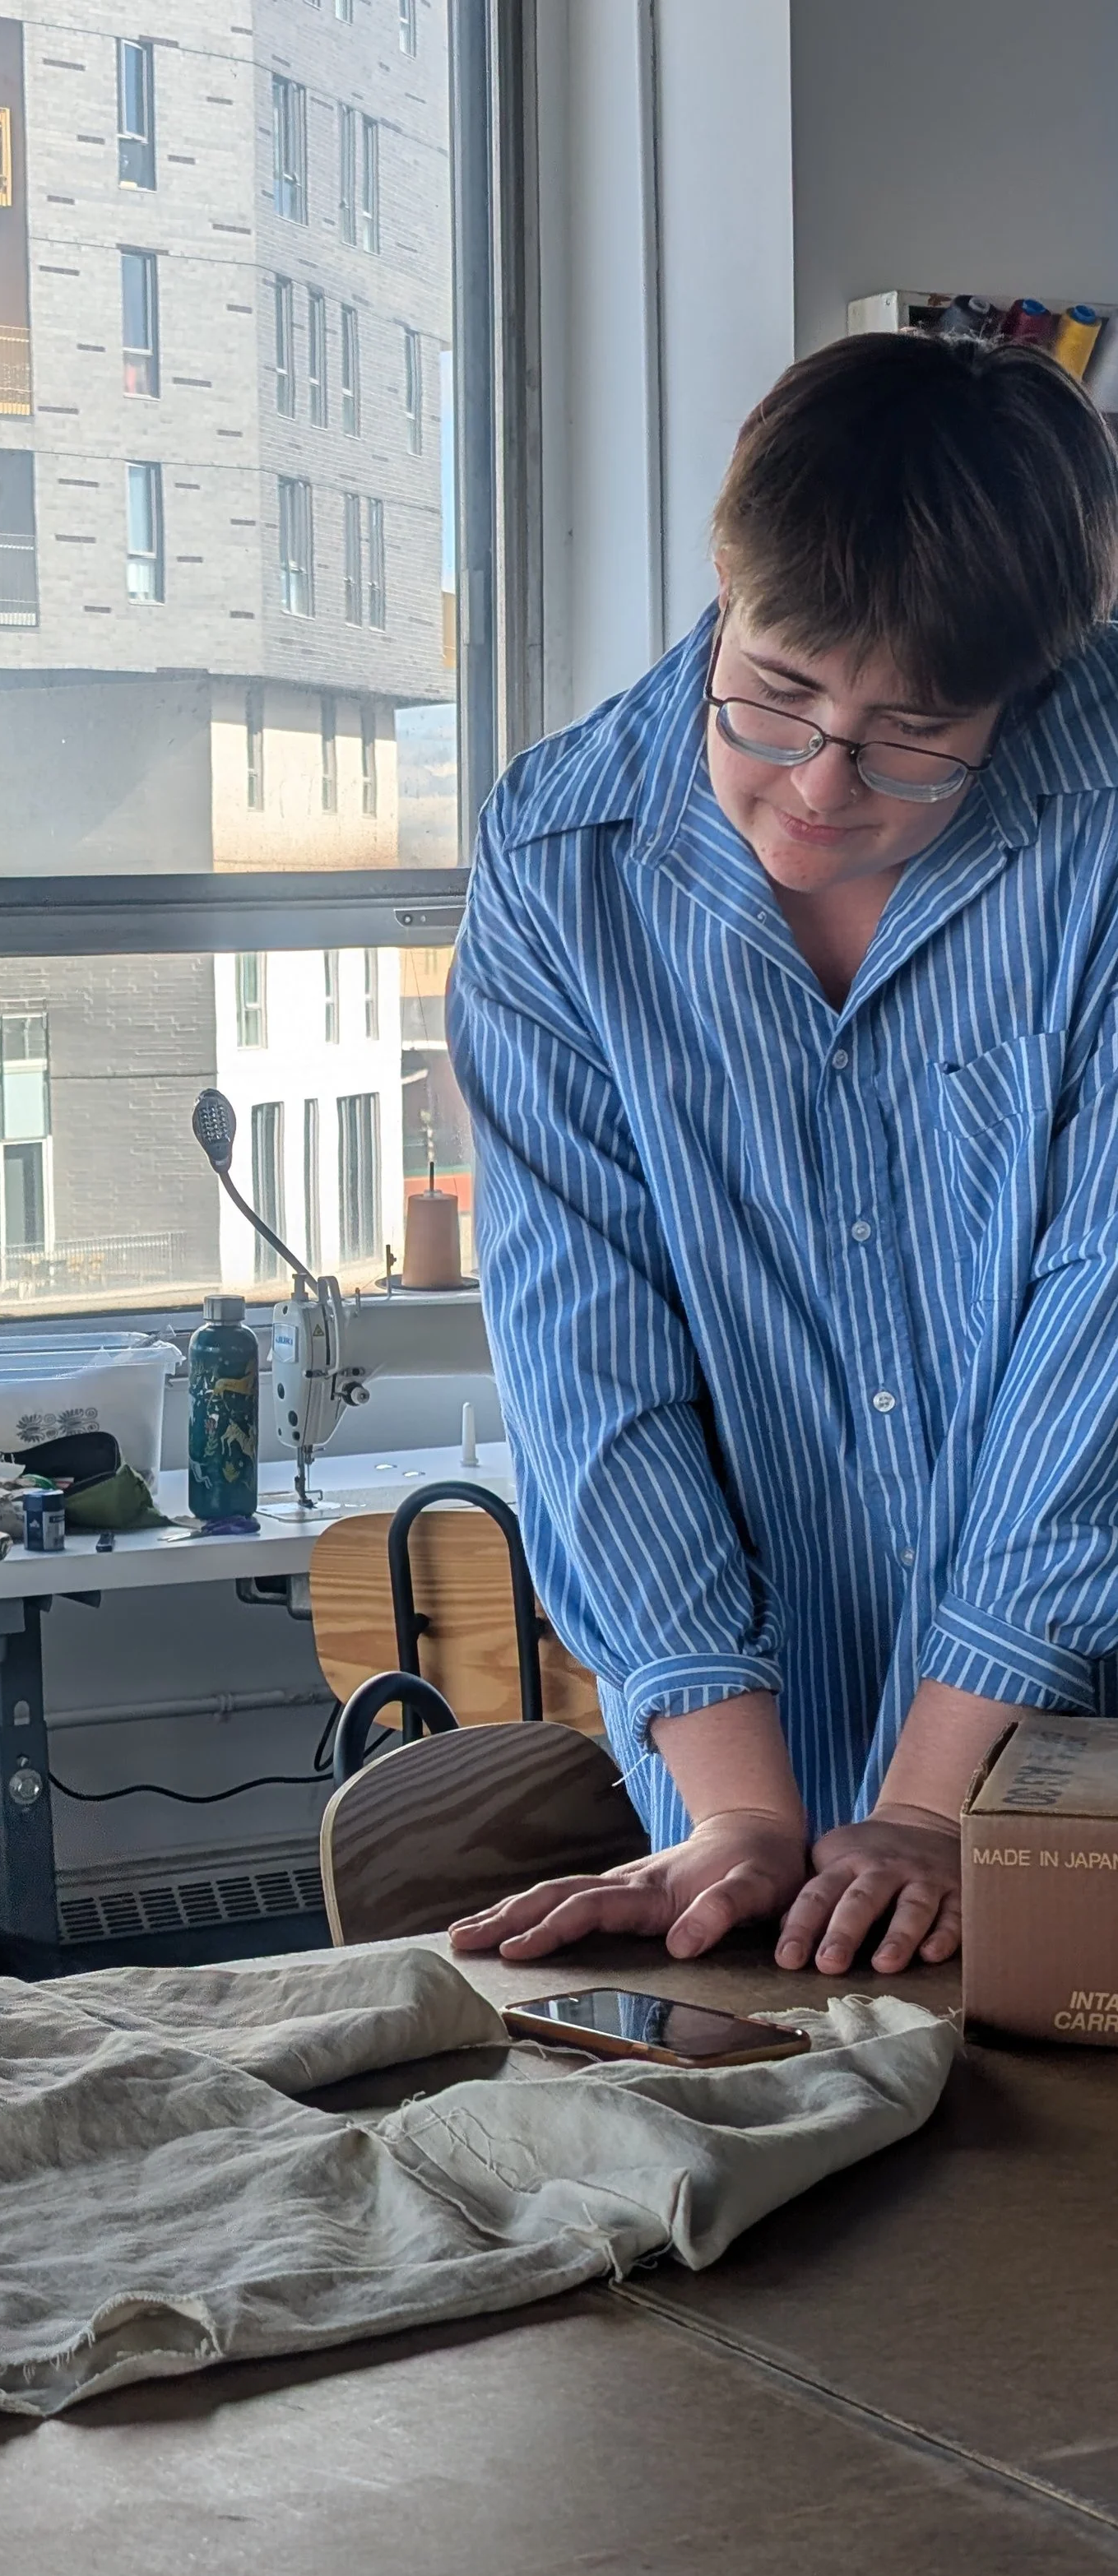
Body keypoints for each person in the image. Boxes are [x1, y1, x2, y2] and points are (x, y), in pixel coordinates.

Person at [445, 332, 1118, 1982]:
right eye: (776, 693)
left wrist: (934, 1807)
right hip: (749, 1760)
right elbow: (588, 1348)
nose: (820, 783)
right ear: (726, 585)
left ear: (1019, 689)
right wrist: (741, 1812)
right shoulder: (561, 862)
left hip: (1084, 1762)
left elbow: (1099, 1320)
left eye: (912, 733)